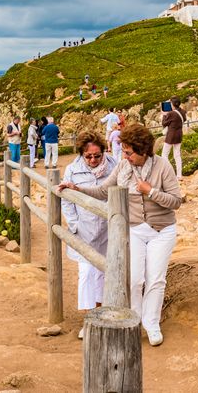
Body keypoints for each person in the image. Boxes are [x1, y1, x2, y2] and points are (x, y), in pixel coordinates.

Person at [59, 123, 182, 347]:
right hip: (135, 229)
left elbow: (176, 201)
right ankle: (134, 320)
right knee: (134, 279)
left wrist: (151, 192)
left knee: (156, 279)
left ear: (143, 150)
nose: (124, 156)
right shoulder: (124, 167)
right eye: (123, 151)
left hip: (162, 230)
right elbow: (104, 190)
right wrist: (77, 188)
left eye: (128, 152)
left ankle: (151, 323)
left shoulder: (163, 166)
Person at [60, 132, 118, 338]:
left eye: (97, 155)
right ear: (82, 154)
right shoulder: (72, 170)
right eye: (89, 156)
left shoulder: (114, 165)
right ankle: (89, 320)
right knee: (86, 273)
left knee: (103, 272)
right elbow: (65, 198)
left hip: (107, 229)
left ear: (104, 152)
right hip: (83, 228)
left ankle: (100, 315)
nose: (93, 160)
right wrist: (74, 224)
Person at [161, 96, 187, 180]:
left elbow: (164, 123)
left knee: (164, 155)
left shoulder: (171, 113)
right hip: (179, 135)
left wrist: (164, 115)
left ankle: (170, 172)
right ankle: (179, 175)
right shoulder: (182, 111)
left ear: (172, 104)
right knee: (177, 155)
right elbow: (185, 119)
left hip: (171, 135)